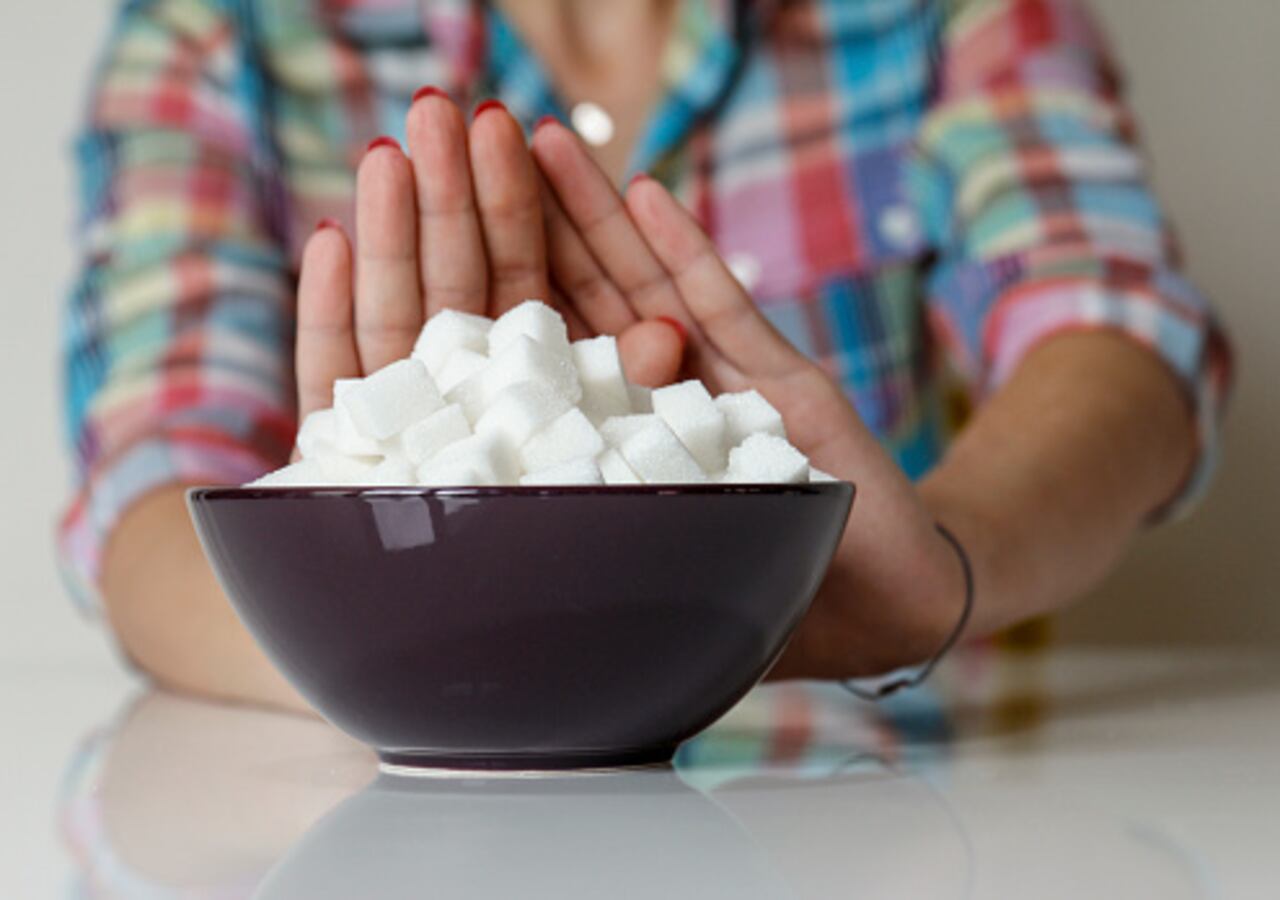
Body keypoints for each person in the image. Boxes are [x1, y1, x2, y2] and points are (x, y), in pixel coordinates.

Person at [61, 0, 1231, 710]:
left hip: (875, 819)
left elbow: (1115, 332)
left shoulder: (933, 19)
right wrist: (413, 664)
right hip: (383, 827)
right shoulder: (224, 37)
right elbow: (148, 492)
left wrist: (930, 577)